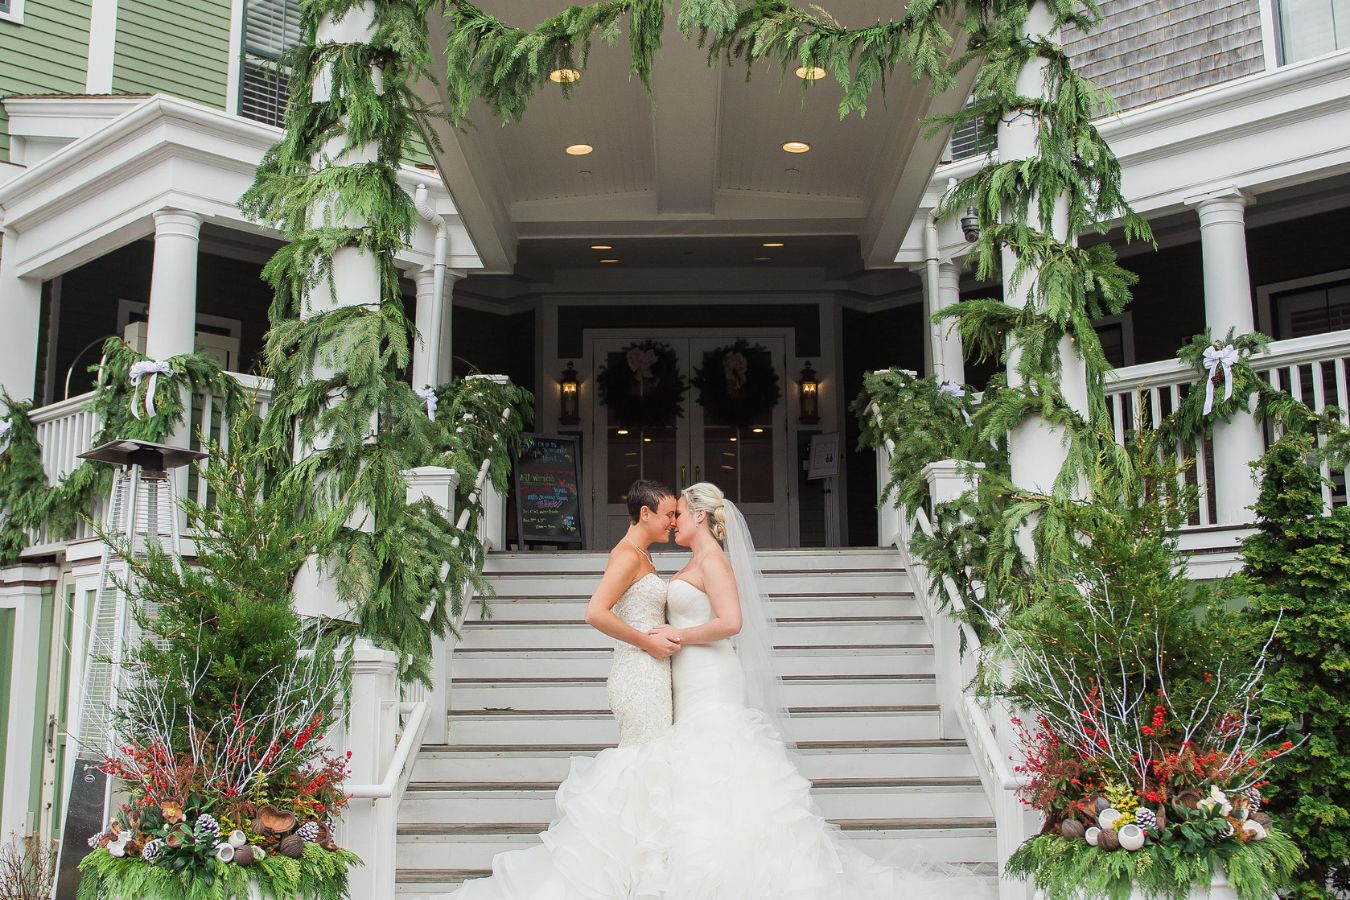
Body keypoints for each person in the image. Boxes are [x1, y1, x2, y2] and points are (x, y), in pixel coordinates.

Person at [447, 480, 679, 899]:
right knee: (643, 763)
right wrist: (646, 643)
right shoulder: (627, 555)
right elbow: (595, 613)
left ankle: (643, 867)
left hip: (651, 672)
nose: (674, 522)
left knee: (650, 767)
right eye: (669, 514)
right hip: (638, 675)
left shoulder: (643, 554)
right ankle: (628, 871)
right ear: (645, 513)